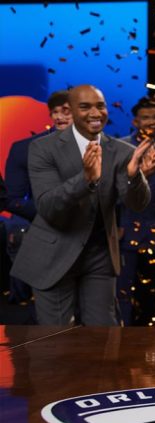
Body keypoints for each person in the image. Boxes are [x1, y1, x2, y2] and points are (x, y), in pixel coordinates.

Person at [10, 85, 154, 326]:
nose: (95, 113)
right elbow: (47, 206)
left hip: (99, 254)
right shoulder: (42, 148)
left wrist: (134, 176)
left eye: (100, 106)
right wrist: (85, 179)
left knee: (102, 333)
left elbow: (136, 204)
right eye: (85, 107)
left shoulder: (122, 151)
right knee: (55, 340)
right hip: (54, 251)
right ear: (72, 112)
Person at [116, 98, 155, 325]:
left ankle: (145, 345)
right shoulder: (121, 147)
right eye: (145, 117)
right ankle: (121, 343)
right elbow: (115, 191)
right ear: (135, 121)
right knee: (124, 292)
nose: (151, 122)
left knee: (152, 293)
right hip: (128, 232)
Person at [5, 90, 72, 305]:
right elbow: (12, 198)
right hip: (36, 234)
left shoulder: (100, 148)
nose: (60, 117)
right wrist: (52, 217)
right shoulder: (25, 149)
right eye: (55, 112)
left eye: (67, 111)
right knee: (35, 307)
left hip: (83, 238)